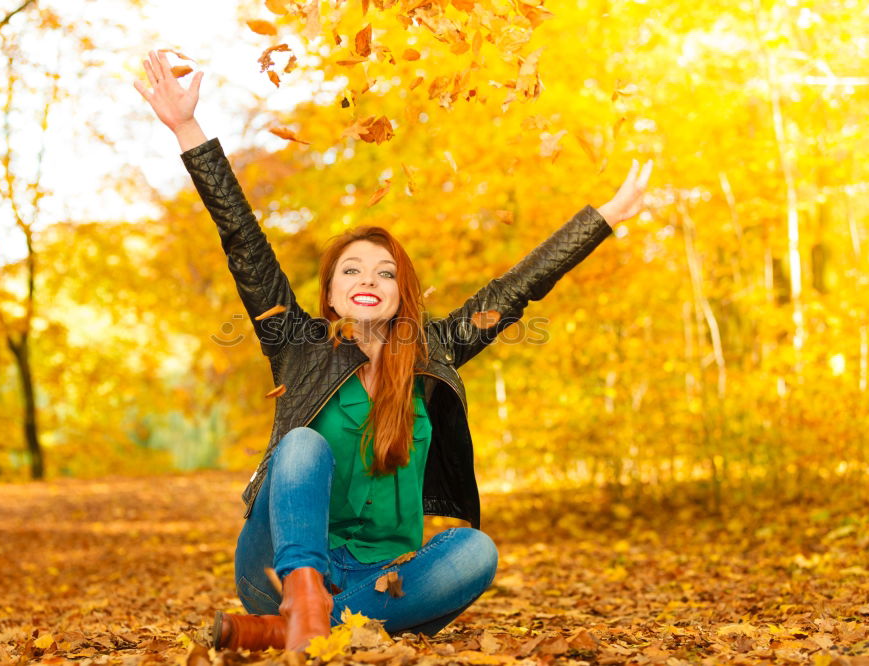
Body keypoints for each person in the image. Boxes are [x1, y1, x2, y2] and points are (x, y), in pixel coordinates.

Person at [134, 50, 652, 652]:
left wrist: (605, 217)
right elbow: (242, 238)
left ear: (401, 292)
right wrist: (187, 129)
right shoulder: (296, 345)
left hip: (383, 581)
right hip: (277, 565)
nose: (368, 279)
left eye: (384, 272)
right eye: (351, 269)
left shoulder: (432, 355)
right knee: (300, 443)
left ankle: (298, 633)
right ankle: (299, 607)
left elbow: (516, 291)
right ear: (329, 292)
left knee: (475, 551)